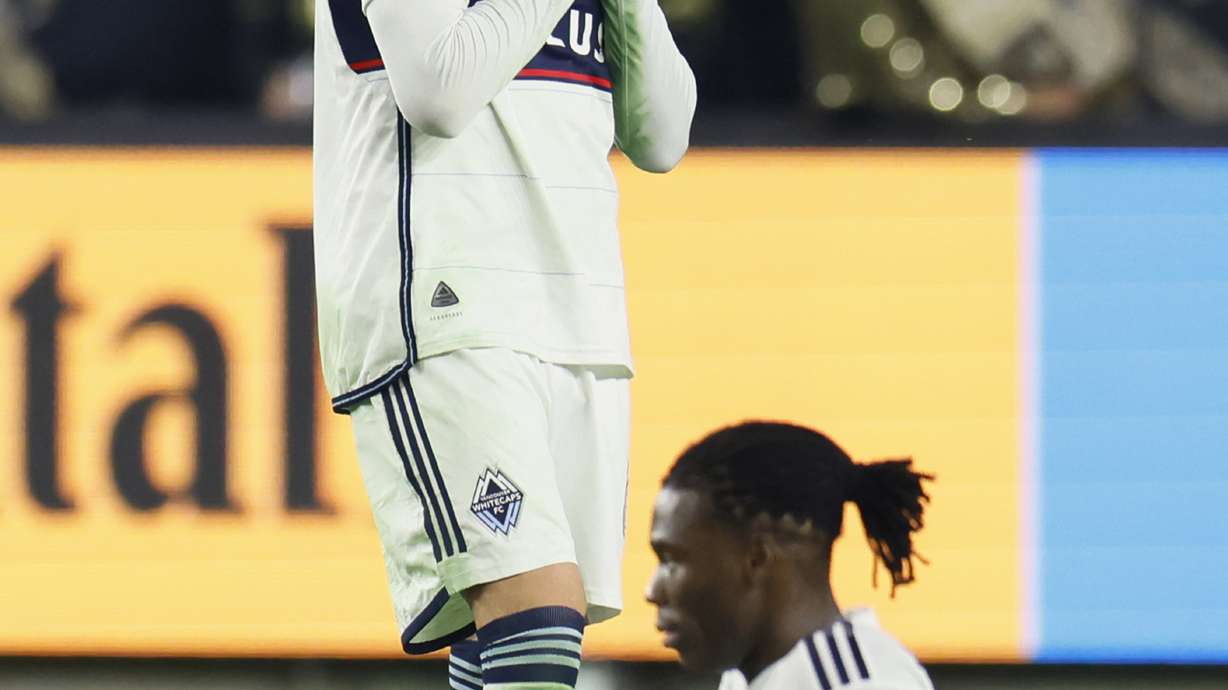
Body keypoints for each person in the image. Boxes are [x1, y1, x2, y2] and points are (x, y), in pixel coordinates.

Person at [313, 0, 695, 685]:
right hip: (445, 301)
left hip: (578, 307)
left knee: (505, 627)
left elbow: (661, 139)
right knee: (537, 608)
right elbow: (438, 93)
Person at [647, 421, 935, 690]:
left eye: (671, 560)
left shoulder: (861, 685)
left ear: (756, 558)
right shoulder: (749, 676)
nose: (652, 591)